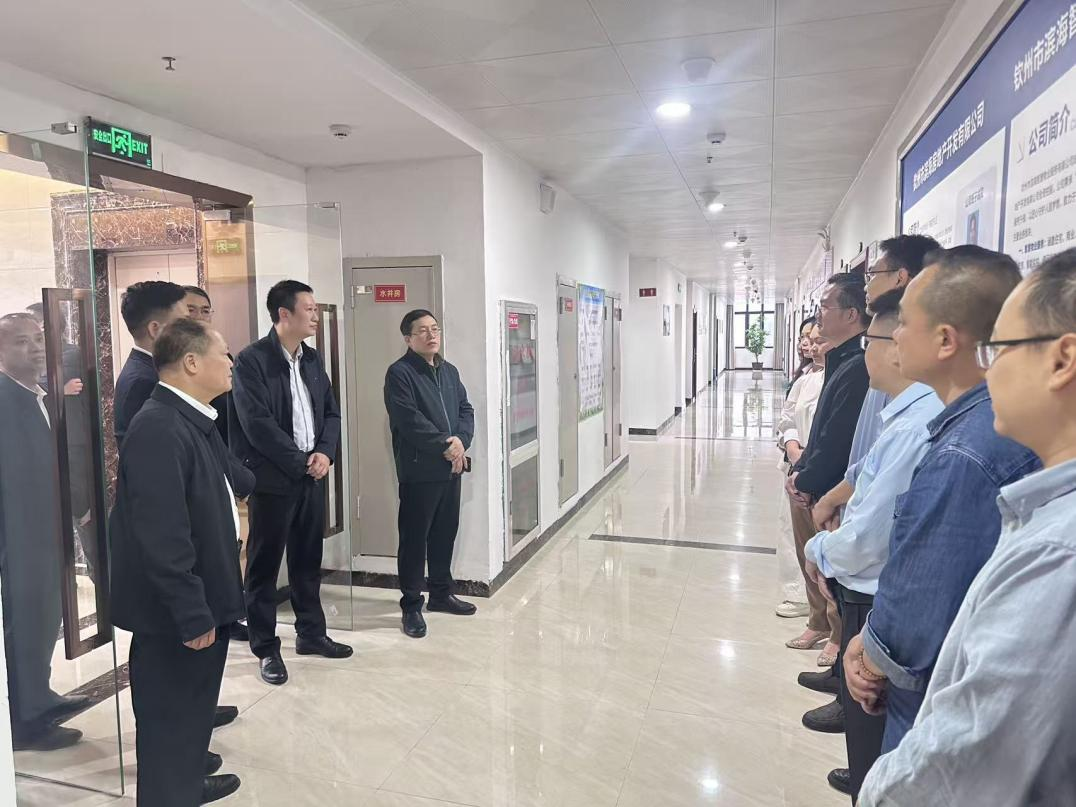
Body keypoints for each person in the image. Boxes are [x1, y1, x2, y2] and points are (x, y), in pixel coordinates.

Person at [858, 248, 1076, 806]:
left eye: (1000, 348)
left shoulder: (1054, 547)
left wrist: (878, 791)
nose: (990, 368)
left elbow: (968, 751)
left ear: (1062, 360)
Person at [801, 289, 944, 801]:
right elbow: (866, 469)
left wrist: (819, 551)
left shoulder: (917, 425)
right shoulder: (906, 415)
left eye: (874, 342)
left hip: (873, 590)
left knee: (872, 734)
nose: (868, 354)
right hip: (865, 586)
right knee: (866, 727)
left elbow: (868, 537)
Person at [110, 318, 250, 805]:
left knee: (191, 713)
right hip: (176, 614)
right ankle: (171, 793)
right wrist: (191, 611)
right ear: (191, 362)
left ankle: (186, 783)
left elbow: (223, 483)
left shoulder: (192, 418)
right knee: (170, 718)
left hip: (206, 597)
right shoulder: (158, 427)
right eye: (223, 353)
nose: (231, 363)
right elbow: (162, 535)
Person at [231, 280, 350, 685]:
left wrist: (325, 453)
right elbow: (257, 424)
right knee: (264, 567)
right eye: (309, 309)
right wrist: (302, 462)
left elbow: (331, 413)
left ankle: (311, 634)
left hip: (311, 476)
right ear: (284, 314)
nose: (315, 316)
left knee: (307, 561)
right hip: (273, 480)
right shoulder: (251, 361)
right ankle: (266, 648)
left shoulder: (311, 359)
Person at [0, 314, 88, 751]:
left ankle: (40, 696)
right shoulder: (5, 401)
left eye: (38, 338)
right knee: (27, 625)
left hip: (45, 533)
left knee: (44, 621)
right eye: (22, 341)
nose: (36, 348)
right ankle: (25, 722)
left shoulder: (36, 394)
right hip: (21, 538)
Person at [816, 234, 941, 528]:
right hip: (849, 506)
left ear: (900, 277)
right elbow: (873, 454)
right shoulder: (877, 367)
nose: (866, 286)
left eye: (872, 275)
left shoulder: (916, 387)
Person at [785, 275, 871, 663]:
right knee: (812, 560)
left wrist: (807, 477)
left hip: (830, 489)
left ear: (852, 314)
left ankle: (837, 638)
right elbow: (812, 426)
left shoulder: (856, 368)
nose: (818, 316)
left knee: (831, 568)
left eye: (825, 307)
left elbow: (838, 439)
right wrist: (799, 468)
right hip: (810, 479)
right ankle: (820, 622)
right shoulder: (833, 366)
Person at [385, 309, 476, 639]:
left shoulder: (449, 371)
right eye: (422, 330)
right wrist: (445, 445)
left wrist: (461, 441)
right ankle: (411, 605)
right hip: (419, 471)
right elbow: (408, 420)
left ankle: (440, 593)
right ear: (408, 339)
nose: (431, 335)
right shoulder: (400, 374)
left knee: (444, 533)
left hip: (451, 468)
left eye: (435, 329)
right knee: (414, 540)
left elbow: (466, 410)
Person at [183, 285, 249, 645]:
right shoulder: (159, 392)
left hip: (225, 473)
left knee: (232, 552)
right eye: (190, 309)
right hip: (201, 487)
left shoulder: (217, 369)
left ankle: (226, 616)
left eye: (205, 310)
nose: (199, 316)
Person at [775, 318, 823, 618]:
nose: (808, 344)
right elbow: (788, 416)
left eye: (815, 339)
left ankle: (814, 601)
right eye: (804, 338)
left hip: (816, 467)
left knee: (812, 534)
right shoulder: (806, 376)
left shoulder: (837, 377)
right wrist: (792, 447)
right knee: (790, 530)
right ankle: (799, 593)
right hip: (796, 464)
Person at [114, 281, 188, 448]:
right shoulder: (143, 382)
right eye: (183, 323)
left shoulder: (148, 369)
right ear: (155, 329)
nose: (191, 330)